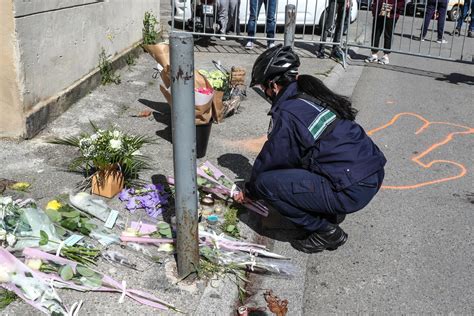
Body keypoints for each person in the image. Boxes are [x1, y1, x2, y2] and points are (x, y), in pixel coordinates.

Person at [233, 45, 386, 254]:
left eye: (263, 88)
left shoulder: (289, 112)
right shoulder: (309, 92)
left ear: (273, 85)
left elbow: (274, 157)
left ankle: (326, 231)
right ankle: (325, 208)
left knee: (266, 184)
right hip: (370, 173)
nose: (265, 94)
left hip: (352, 187)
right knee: (295, 171)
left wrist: (250, 190)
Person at [365, 0, 405, 65]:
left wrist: (393, 7)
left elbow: (401, 2)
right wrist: (374, 9)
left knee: (388, 34)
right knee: (376, 33)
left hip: (391, 13)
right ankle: (374, 54)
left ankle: (386, 56)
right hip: (379, 11)